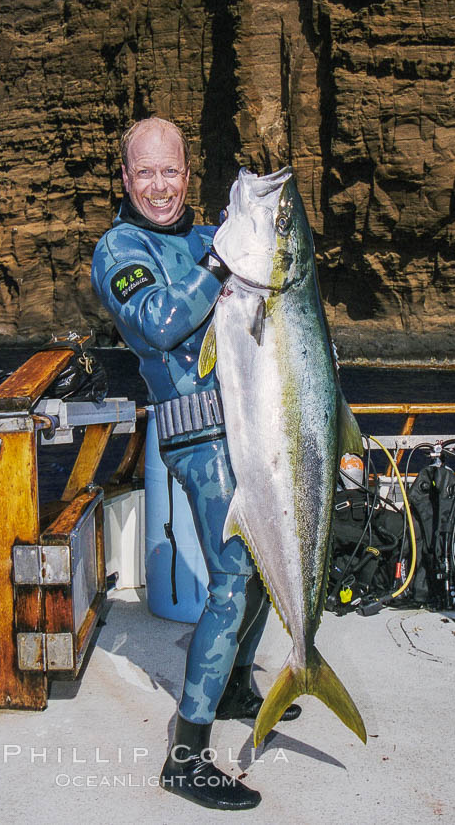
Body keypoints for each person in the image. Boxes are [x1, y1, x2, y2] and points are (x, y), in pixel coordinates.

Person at [91, 117, 300, 811]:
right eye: (143, 172)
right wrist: (222, 259)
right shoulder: (119, 247)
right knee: (233, 575)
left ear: (188, 174)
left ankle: (235, 680)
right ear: (125, 179)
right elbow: (156, 321)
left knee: (270, 560)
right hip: (196, 435)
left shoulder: (202, 235)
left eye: (170, 171)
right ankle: (186, 755)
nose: (158, 185)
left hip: (250, 426)